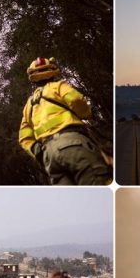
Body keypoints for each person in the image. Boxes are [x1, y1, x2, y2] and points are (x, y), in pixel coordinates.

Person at [18, 57, 111, 185]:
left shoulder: (29, 104)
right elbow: (76, 100)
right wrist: (86, 114)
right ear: (52, 71)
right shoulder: (59, 86)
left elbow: (24, 137)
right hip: (73, 143)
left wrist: (39, 153)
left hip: (49, 157)